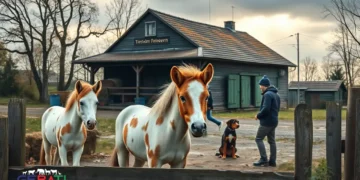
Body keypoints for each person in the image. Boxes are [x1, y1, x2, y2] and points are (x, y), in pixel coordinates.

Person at [253, 75, 280, 167]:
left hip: (267, 122)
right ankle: (272, 161)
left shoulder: (267, 94)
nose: (260, 87)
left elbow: (266, 109)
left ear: (264, 85)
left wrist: (258, 115)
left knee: (258, 139)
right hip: (274, 121)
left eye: (260, 85)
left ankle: (263, 159)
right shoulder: (276, 94)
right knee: (272, 141)